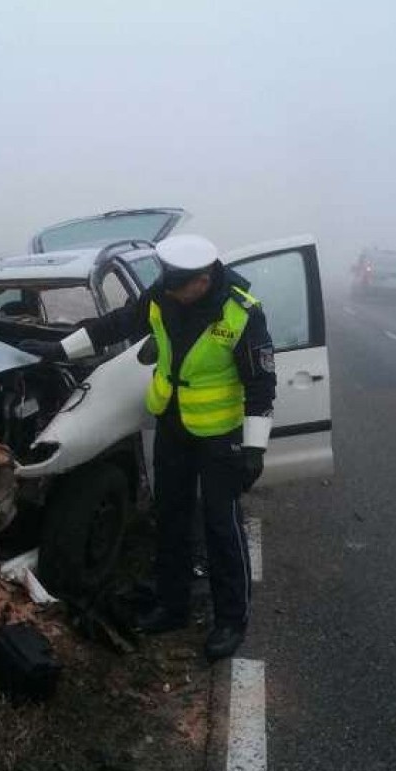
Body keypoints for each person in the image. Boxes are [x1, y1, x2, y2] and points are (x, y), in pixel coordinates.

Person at [20, 234, 277, 663]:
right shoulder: (163, 294)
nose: (170, 292)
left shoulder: (242, 312)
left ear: (204, 278)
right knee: (171, 518)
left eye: (179, 286)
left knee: (220, 527)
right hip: (173, 424)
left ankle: (231, 619)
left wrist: (254, 449)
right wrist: (58, 349)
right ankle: (172, 606)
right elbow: (116, 325)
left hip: (220, 436)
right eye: (168, 284)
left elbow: (261, 386)